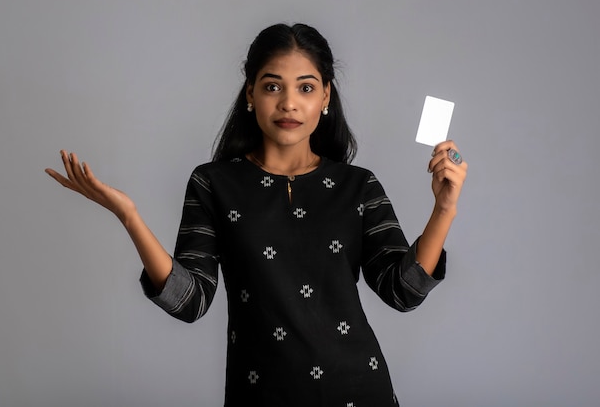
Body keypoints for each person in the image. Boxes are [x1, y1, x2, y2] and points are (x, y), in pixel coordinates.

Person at [45, 23, 467, 407]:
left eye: (305, 88)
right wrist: (129, 216)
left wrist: (443, 210)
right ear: (250, 94)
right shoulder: (213, 184)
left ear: (326, 97)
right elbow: (188, 301)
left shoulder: (358, 186)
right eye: (272, 87)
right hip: (261, 395)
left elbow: (403, 291)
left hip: (359, 392)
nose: (288, 103)